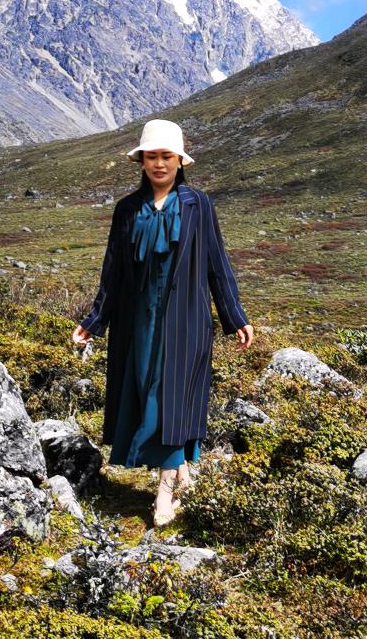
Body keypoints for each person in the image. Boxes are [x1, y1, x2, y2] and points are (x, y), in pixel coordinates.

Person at [71, 119, 254, 526]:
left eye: (166, 156)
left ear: (179, 161)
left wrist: (234, 315)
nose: (159, 164)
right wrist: (94, 320)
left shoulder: (198, 205)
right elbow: (113, 272)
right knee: (144, 395)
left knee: (169, 399)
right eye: (151, 156)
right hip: (137, 324)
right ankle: (181, 469)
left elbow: (216, 263)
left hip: (186, 322)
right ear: (141, 160)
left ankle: (164, 492)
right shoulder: (127, 209)